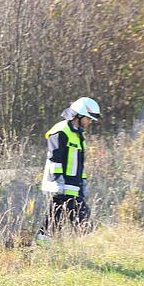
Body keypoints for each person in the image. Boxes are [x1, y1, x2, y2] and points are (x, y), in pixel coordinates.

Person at [36, 97, 101, 243]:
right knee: (80, 218)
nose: (89, 122)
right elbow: (55, 158)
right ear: (79, 115)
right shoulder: (60, 131)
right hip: (62, 186)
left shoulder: (78, 134)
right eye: (88, 118)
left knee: (56, 218)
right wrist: (58, 182)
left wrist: (82, 182)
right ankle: (88, 247)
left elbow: (79, 162)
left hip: (73, 185)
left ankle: (43, 243)